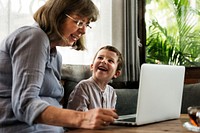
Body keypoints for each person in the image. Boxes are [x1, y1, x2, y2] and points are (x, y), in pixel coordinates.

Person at [0, 0, 118, 132]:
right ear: (57, 16)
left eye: (87, 24)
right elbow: (24, 104)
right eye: (79, 22)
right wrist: (83, 118)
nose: (84, 30)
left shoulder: (56, 56)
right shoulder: (33, 36)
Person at [67, 45, 123, 111]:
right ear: (92, 66)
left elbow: (110, 117)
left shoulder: (112, 92)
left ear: (116, 74)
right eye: (100, 58)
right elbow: (78, 117)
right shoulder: (83, 87)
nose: (104, 61)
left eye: (110, 61)